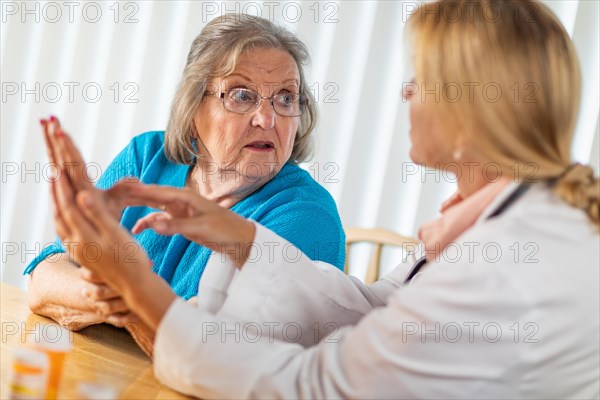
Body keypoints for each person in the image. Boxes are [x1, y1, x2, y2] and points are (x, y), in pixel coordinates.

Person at [41, 0, 599, 398]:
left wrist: (130, 279)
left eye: (422, 79)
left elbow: (313, 384)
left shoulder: (501, 265)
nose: (406, 92)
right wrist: (235, 233)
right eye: (242, 96)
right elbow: (370, 309)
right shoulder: (501, 227)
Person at [25, 14, 346, 351]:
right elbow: (46, 276)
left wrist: (121, 285)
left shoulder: (308, 216)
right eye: (241, 95)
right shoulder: (148, 156)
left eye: (285, 98)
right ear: (193, 108)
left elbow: (215, 349)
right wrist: (118, 295)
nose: (267, 119)